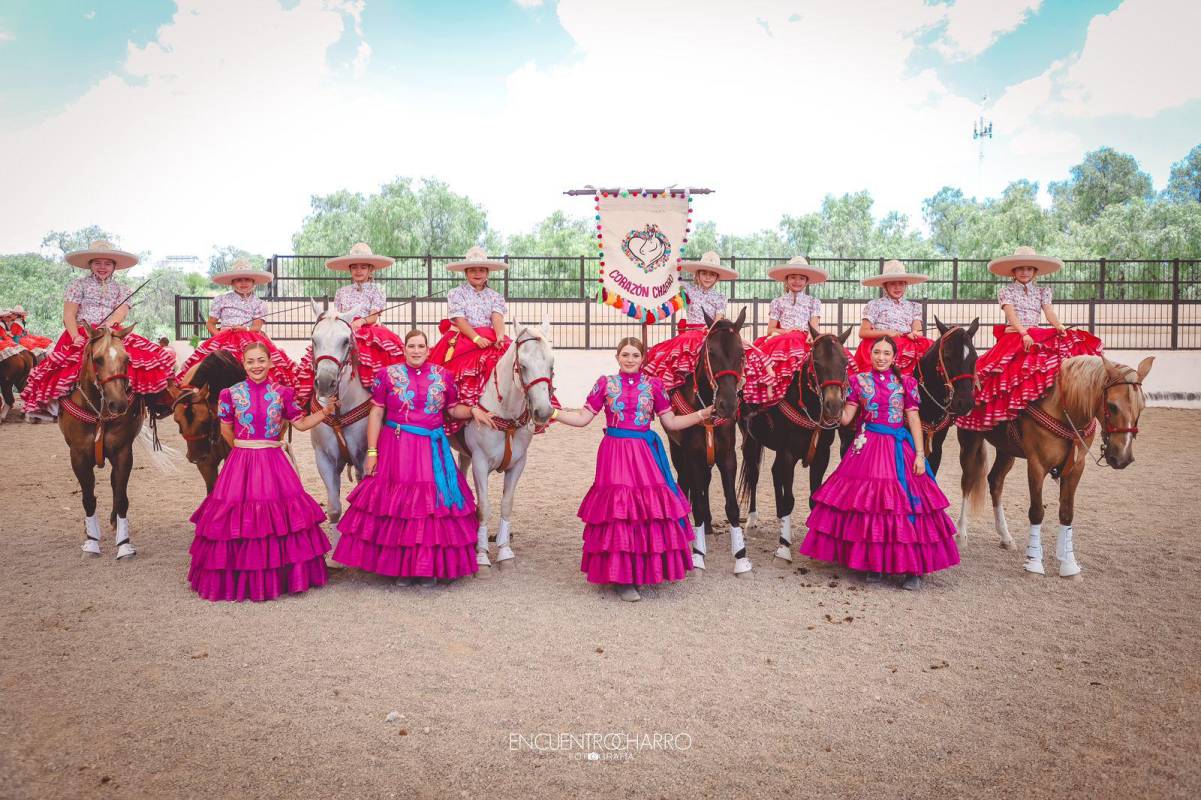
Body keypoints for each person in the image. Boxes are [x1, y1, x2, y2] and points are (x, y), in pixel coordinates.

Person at [552, 337, 713, 602]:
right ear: (617, 357)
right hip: (614, 452)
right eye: (625, 355)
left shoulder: (655, 386)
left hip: (644, 453)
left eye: (635, 355)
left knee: (646, 511)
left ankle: (644, 571)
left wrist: (702, 414)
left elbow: (670, 422)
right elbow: (582, 418)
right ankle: (623, 578)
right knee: (619, 511)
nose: (630, 359)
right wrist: (554, 413)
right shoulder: (604, 383)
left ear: (643, 359)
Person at [333, 329, 497, 585]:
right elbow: (376, 413)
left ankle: (427, 568)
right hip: (397, 447)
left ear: (428, 349)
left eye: (421, 346)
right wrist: (373, 451)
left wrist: (473, 409)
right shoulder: (386, 375)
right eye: (412, 346)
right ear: (404, 349)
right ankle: (401, 569)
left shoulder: (444, 376)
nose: (416, 350)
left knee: (430, 507)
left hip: (432, 449)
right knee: (398, 506)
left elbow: (453, 409)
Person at [799, 336, 959, 590]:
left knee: (904, 505)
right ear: (870, 354)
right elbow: (845, 418)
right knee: (869, 505)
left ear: (894, 357)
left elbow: (913, 419)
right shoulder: (857, 381)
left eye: (886, 353)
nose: (881, 357)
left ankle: (911, 569)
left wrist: (919, 454)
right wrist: (830, 401)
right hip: (867, 446)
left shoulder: (906, 383)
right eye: (876, 352)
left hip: (897, 447)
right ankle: (875, 563)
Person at [187, 342, 337, 602]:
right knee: (236, 517)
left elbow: (300, 424)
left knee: (277, 518)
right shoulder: (229, 394)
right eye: (250, 362)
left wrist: (324, 412)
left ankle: (281, 577)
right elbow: (225, 430)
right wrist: (244, 452)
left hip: (273, 460)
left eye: (261, 361)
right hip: (241, 459)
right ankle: (240, 577)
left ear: (270, 363)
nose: (256, 366)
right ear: (243, 365)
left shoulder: (283, 393)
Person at [20, 240, 175, 421]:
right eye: (98, 263)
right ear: (90, 265)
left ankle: (151, 403)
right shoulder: (78, 285)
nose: (103, 267)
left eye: (107, 263)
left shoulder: (122, 288)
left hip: (112, 331)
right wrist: (75, 336)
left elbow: (122, 311)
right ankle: (56, 408)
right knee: (63, 368)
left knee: (143, 359)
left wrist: (111, 324)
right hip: (82, 332)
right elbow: (69, 315)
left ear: (114, 266)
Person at [958, 246, 1103, 431]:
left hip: (1036, 332)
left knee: (1068, 347)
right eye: (1020, 268)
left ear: (1035, 272)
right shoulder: (1006, 291)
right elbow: (1011, 315)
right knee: (998, 373)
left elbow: (1048, 311)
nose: (1024, 272)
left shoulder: (1043, 291)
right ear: (1013, 272)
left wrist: (1058, 325)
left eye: (1028, 268)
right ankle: (1007, 417)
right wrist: (1023, 333)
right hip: (1015, 335)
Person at [294, 243, 405, 406]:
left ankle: (383, 399)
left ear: (371, 270)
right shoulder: (342, 291)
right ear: (350, 270)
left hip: (368, 330)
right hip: (345, 329)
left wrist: (361, 321)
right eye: (354, 267)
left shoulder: (377, 290)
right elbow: (337, 315)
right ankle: (308, 400)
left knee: (384, 358)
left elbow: (373, 317)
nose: (358, 271)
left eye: (363, 267)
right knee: (317, 353)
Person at [176, 259, 297, 387]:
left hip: (250, 337)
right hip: (224, 338)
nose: (243, 283)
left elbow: (256, 327)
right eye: (239, 280)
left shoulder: (260, 304)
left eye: (247, 279)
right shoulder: (221, 299)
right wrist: (218, 335)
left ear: (253, 282)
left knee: (265, 361)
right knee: (204, 364)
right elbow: (210, 323)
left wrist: (244, 329)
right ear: (233, 283)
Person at [427, 246, 510, 409]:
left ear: (487, 273)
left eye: (481, 270)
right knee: (449, 372)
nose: (477, 274)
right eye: (473, 270)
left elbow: (497, 317)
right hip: (464, 338)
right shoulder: (456, 293)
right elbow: (459, 319)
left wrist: (500, 335)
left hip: (489, 338)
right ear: (466, 273)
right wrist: (476, 338)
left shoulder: (495, 296)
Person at [752, 256, 830, 397]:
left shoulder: (814, 302)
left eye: (801, 278)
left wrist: (811, 337)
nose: (797, 281)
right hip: (782, 339)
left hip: (804, 340)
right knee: (760, 358)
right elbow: (770, 330)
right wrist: (786, 331)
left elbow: (814, 328)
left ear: (807, 281)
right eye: (793, 277)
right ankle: (772, 390)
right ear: (786, 279)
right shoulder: (778, 302)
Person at [853, 259, 933, 375]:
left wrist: (914, 334)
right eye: (892, 284)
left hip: (906, 346)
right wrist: (887, 333)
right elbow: (863, 332)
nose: (897, 287)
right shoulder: (874, 305)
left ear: (906, 285)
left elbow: (918, 331)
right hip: (882, 344)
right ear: (885, 286)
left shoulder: (914, 306)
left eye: (901, 283)